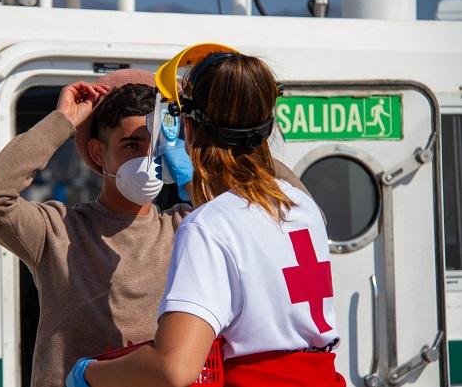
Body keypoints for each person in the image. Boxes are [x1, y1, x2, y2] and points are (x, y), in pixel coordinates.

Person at [0, 68, 311, 387]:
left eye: (157, 145)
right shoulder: (56, 230)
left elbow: (287, 204)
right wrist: (62, 122)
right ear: (98, 154)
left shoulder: (190, 226)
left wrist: (205, 125)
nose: (148, 158)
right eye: (132, 145)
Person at [66, 45, 343, 387]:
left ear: (187, 127)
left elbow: (174, 367)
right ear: (266, 127)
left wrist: (87, 373)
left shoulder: (209, 225)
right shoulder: (300, 204)